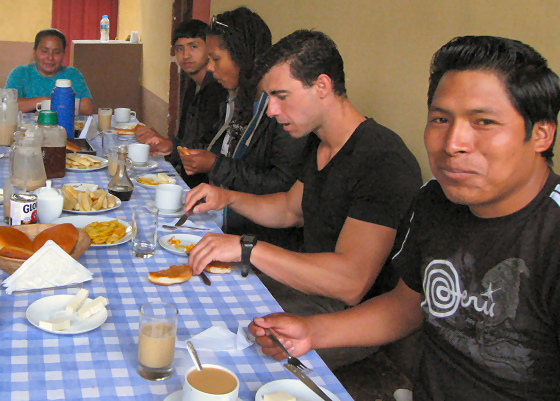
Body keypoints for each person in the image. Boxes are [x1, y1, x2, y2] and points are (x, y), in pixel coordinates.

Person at [248, 36, 560, 400]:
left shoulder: (551, 235)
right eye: (441, 119)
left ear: (540, 134)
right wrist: (312, 332)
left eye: (484, 122)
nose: (453, 143)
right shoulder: (434, 202)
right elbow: (406, 306)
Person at [185, 30, 422, 368]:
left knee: (229, 353)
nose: (271, 111)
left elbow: (351, 282)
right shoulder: (319, 141)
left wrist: (247, 247)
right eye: (269, 98)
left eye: (280, 96)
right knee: (202, 296)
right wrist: (227, 197)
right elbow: (288, 208)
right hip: (307, 289)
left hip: (346, 315)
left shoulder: (382, 158)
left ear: (322, 86)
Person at [173, 8, 308, 250]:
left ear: (241, 56)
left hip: (258, 241)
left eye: (216, 59)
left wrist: (215, 164)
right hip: (224, 221)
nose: (211, 68)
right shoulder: (235, 100)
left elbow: (281, 187)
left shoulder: (281, 113)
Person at [134, 19, 227, 188]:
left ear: (209, 49)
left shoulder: (220, 89)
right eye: (180, 49)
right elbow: (186, 137)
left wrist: (171, 145)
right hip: (185, 174)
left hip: (207, 184)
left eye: (193, 47)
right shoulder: (191, 85)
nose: (185, 55)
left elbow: (212, 145)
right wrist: (167, 144)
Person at [5, 28, 94, 115]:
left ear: (63, 54)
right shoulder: (20, 73)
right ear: (34, 52)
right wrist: (44, 101)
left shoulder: (72, 74)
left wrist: (50, 103)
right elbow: (7, 105)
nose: (50, 58)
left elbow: (86, 107)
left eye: (57, 52)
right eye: (44, 51)